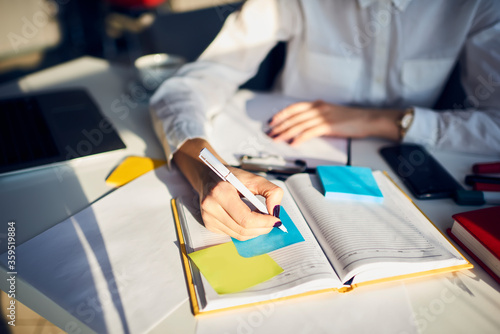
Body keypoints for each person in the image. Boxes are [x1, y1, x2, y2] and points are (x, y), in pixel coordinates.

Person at [150, 0, 500, 240]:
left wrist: (385, 121)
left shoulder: (476, 5)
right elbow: (185, 89)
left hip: (407, 194)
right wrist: (205, 170)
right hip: (282, 160)